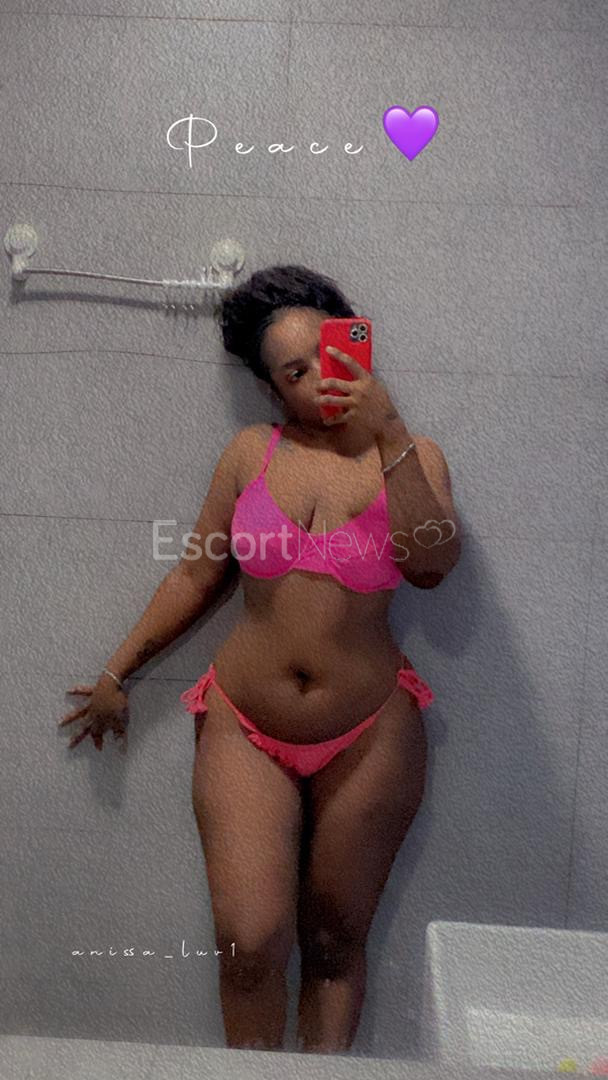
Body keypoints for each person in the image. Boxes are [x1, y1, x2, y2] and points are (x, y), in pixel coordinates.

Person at [58, 264, 461, 1053]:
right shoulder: (251, 453)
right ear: (271, 387)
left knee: (336, 942)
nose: (318, 380)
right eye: (294, 371)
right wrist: (115, 673)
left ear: (357, 347)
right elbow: (195, 574)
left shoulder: (414, 455)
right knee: (249, 941)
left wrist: (390, 432)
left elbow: (433, 565)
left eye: (329, 356)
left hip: (372, 730)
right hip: (245, 723)